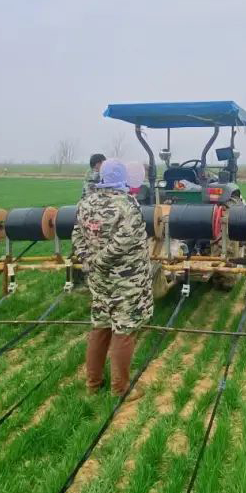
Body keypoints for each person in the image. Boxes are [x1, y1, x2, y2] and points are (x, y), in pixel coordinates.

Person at [72, 159, 154, 399]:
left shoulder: (86, 202)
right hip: (126, 280)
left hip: (99, 280)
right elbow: (125, 240)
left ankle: (93, 383)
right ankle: (121, 388)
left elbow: (77, 234)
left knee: (100, 325)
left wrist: (89, 260)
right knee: (124, 330)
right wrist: (100, 260)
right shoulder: (127, 204)